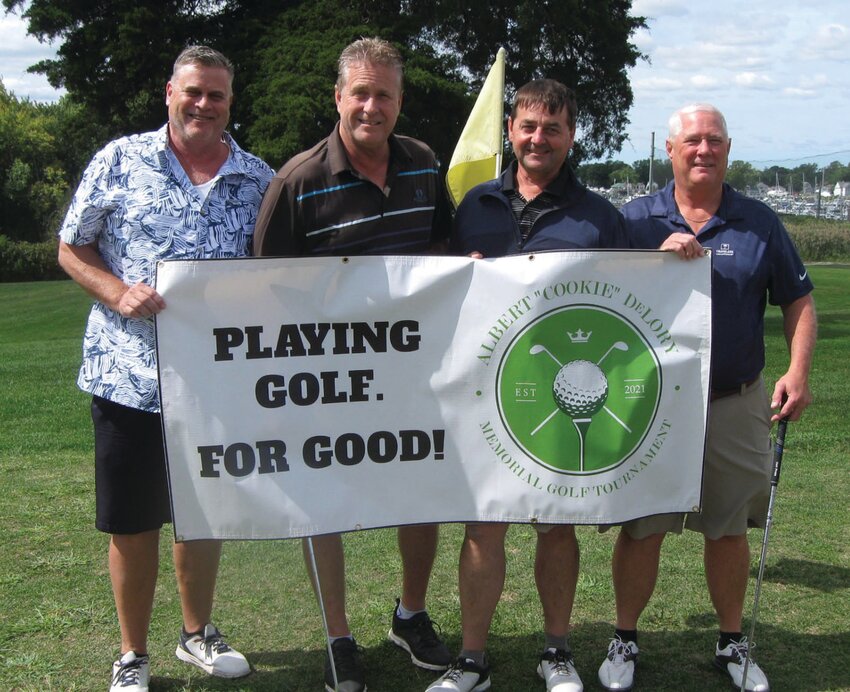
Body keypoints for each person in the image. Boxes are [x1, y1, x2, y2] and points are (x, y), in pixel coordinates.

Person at [58, 46, 274, 692]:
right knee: (132, 522)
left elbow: (277, 274)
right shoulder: (120, 160)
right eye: (193, 92)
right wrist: (116, 290)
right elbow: (71, 245)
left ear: (231, 103)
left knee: (203, 515)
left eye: (216, 95)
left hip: (215, 381)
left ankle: (196, 634)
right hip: (127, 374)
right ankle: (131, 654)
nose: (203, 105)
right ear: (169, 92)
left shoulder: (257, 179)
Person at [252, 37, 452, 692]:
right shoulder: (297, 182)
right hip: (325, 381)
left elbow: (440, 252)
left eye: (384, 94)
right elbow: (265, 289)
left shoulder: (424, 163)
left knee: (421, 494)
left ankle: (411, 614)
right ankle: (338, 634)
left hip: (413, 373)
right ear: (338, 97)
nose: (371, 106)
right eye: (359, 92)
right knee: (323, 505)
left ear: (400, 100)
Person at [596, 103, 816, 692]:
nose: (703, 150)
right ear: (670, 149)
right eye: (692, 140)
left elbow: (797, 300)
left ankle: (730, 641)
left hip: (734, 399)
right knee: (644, 526)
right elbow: (598, 296)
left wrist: (797, 371)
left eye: (714, 140)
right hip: (651, 401)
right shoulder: (635, 219)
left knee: (728, 527)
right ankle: (624, 637)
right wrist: (650, 262)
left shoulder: (759, 221)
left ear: (727, 148)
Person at [426, 79, 628, 692]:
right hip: (482, 396)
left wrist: (672, 257)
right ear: (511, 129)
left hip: (559, 392)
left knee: (555, 524)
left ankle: (557, 651)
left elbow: (632, 299)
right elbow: (439, 294)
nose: (539, 138)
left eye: (554, 128)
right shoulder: (473, 207)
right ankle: (472, 659)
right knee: (483, 526)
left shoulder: (601, 218)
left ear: (572, 136)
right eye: (529, 126)